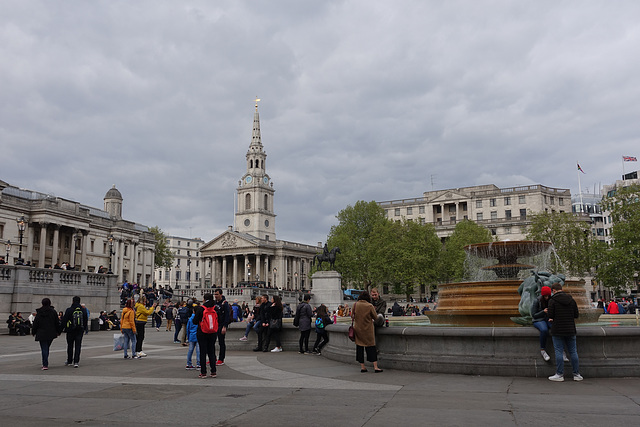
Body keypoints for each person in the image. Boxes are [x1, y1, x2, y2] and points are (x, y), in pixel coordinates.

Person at [548, 283, 582, 382]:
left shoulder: (552, 300)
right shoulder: (571, 300)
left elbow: (551, 315)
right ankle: (576, 374)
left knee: (558, 351)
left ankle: (559, 374)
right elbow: (576, 314)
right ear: (561, 289)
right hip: (570, 328)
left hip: (557, 329)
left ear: (554, 290)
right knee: (573, 351)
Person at [352, 291, 382, 373]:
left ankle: (363, 367)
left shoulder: (355, 305)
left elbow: (352, 316)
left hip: (358, 329)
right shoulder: (369, 305)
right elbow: (375, 317)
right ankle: (375, 367)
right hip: (368, 329)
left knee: (360, 347)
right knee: (371, 347)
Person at [32, 298, 61, 370]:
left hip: (41, 333)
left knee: (44, 348)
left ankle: (45, 364)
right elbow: (56, 322)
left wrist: (33, 332)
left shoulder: (39, 312)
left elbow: (36, 323)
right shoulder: (53, 312)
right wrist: (58, 331)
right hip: (51, 332)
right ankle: (45, 362)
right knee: (46, 347)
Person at [193, 293, 218, 378]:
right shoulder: (216, 308)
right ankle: (213, 371)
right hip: (213, 332)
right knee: (212, 351)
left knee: (202, 352)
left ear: (204, 299)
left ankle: (203, 372)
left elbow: (195, 321)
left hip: (202, 332)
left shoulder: (201, 308)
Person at [61, 296, 88, 368]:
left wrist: (60, 330)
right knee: (78, 346)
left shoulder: (69, 310)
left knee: (70, 345)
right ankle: (76, 361)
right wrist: (84, 329)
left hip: (70, 330)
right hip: (79, 330)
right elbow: (85, 320)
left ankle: (69, 361)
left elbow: (64, 320)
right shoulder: (83, 310)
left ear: (72, 301)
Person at [531, 286, 552, 361]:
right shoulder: (537, 301)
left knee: (555, 328)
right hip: (538, 320)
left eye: (548, 296)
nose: (547, 297)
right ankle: (542, 350)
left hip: (547, 319)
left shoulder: (551, 300)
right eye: (545, 296)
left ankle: (561, 349)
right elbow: (533, 315)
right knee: (544, 330)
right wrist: (543, 312)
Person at [213, 288, 231, 366]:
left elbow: (227, 315)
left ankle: (221, 359)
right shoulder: (214, 303)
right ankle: (213, 358)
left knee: (221, 342)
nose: (215, 296)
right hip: (214, 325)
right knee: (212, 342)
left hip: (221, 324)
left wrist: (225, 326)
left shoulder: (225, 304)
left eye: (217, 294)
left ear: (221, 294)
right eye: (215, 294)